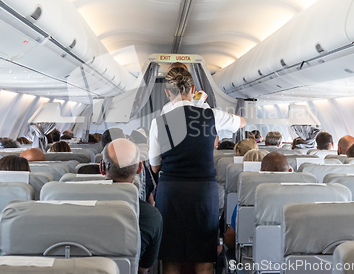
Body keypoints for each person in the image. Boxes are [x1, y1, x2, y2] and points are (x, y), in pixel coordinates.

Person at [149, 67, 245, 274]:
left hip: (171, 192)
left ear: (167, 92)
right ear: (192, 89)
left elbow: (155, 165)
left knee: (171, 254)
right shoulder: (210, 115)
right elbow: (242, 122)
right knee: (204, 253)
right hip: (203, 192)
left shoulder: (159, 122)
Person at [102, 139, 163, 274]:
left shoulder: (72, 204)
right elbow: (142, 269)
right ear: (140, 168)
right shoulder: (151, 217)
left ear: (102, 168)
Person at [224, 152, 291, 250]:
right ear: (289, 171)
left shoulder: (247, 196)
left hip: (249, 259)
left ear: (262, 171)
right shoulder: (303, 196)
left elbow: (230, 241)